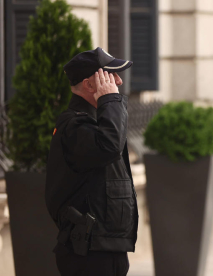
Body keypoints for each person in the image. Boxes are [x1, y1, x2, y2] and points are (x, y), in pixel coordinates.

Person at [45, 47, 138, 276]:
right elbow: (110, 146)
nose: (118, 81)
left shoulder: (96, 121)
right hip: (88, 252)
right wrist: (110, 100)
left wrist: (110, 103)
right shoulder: (74, 127)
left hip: (106, 247)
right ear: (88, 84)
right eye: (110, 76)